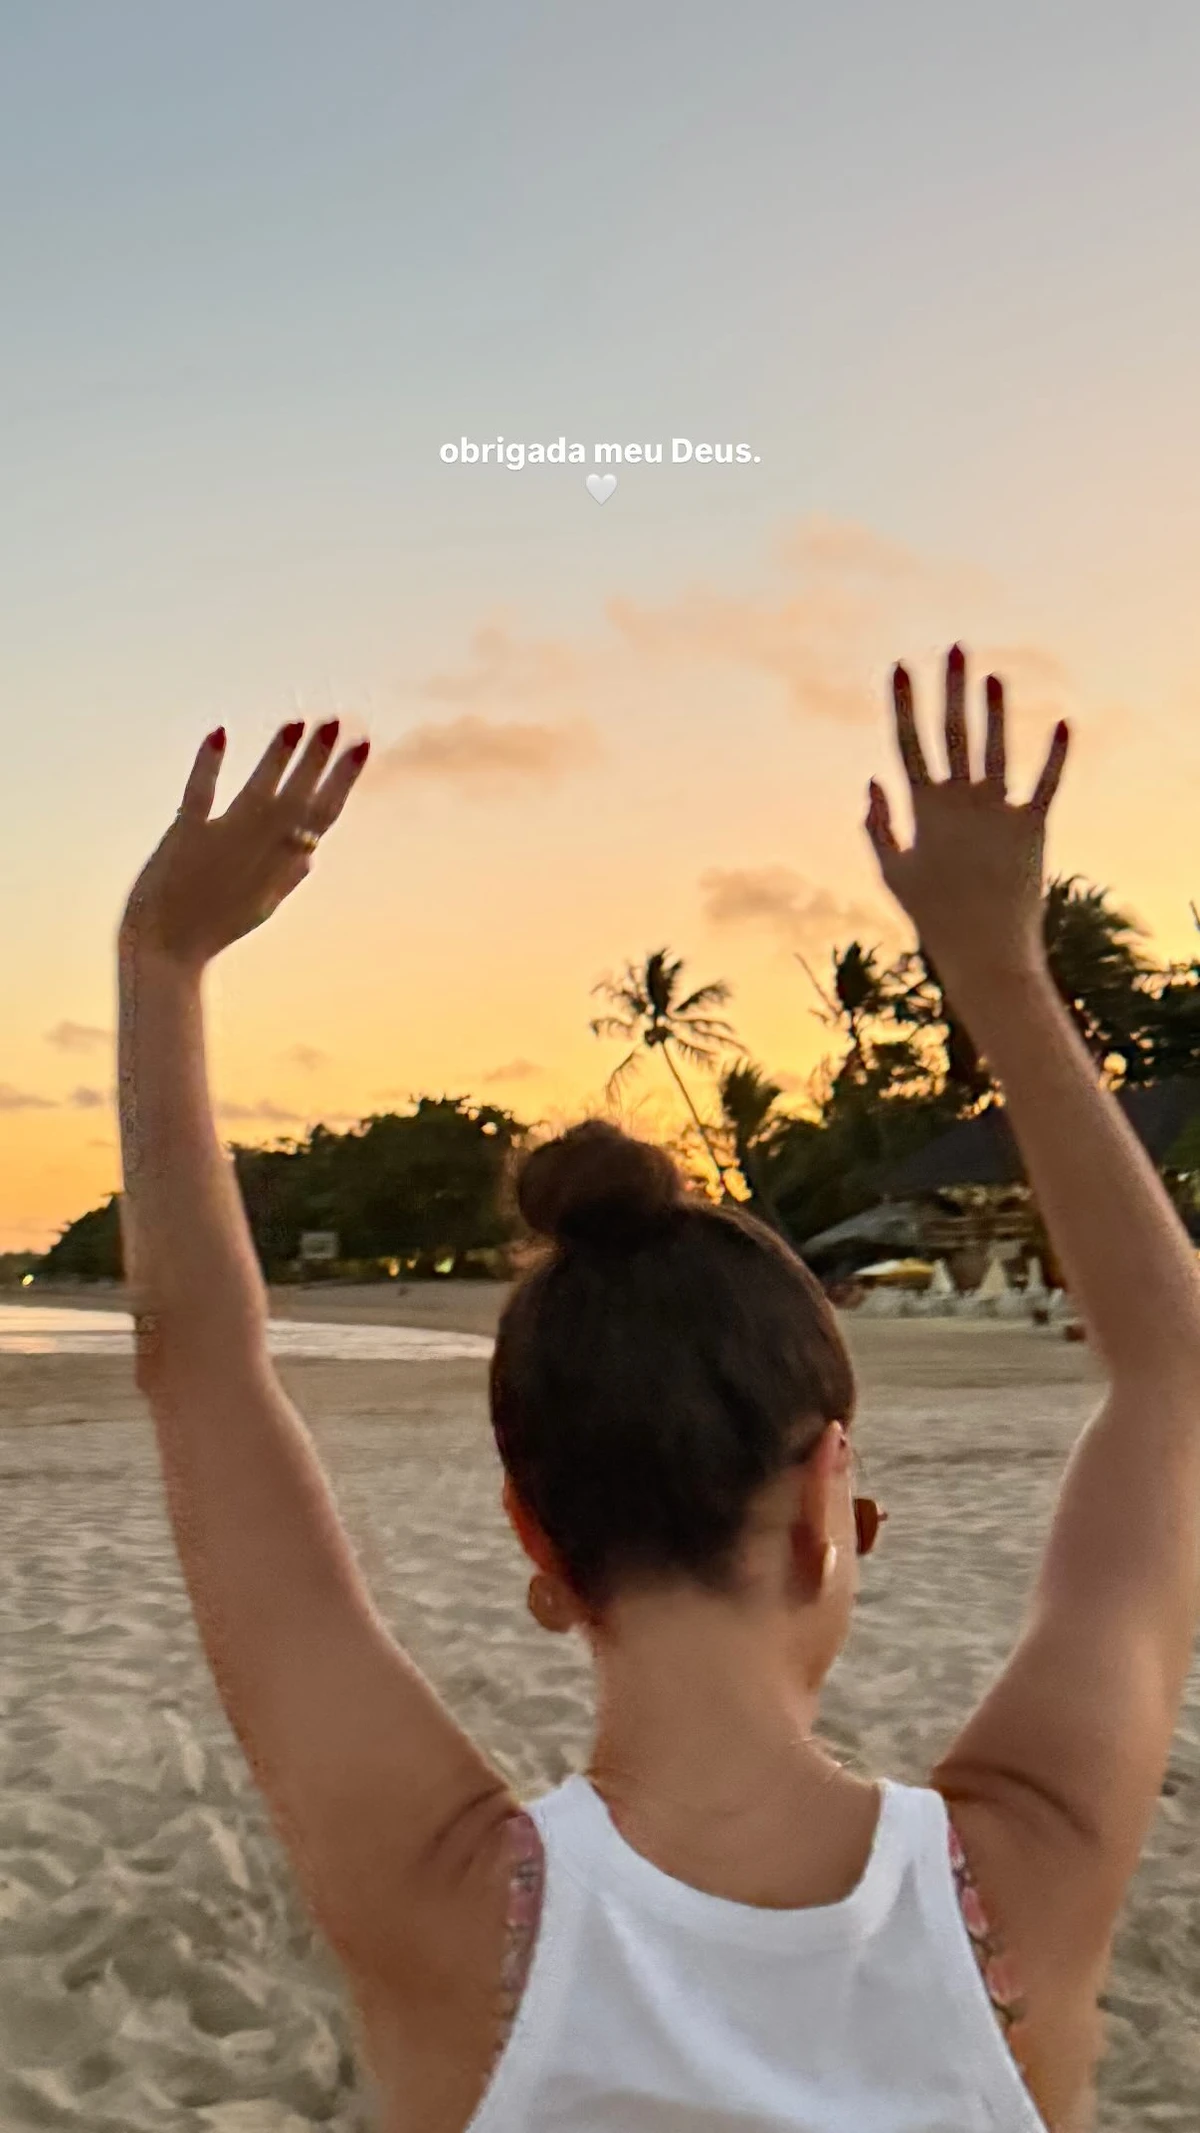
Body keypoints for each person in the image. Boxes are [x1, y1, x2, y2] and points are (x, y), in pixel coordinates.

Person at [115, 653, 1200, 2133]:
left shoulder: (449, 1912)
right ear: (829, 1499)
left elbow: (203, 1377)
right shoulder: (1024, 1883)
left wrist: (161, 962)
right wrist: (998, 963)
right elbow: (1173, 1371)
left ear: (536, 1544)